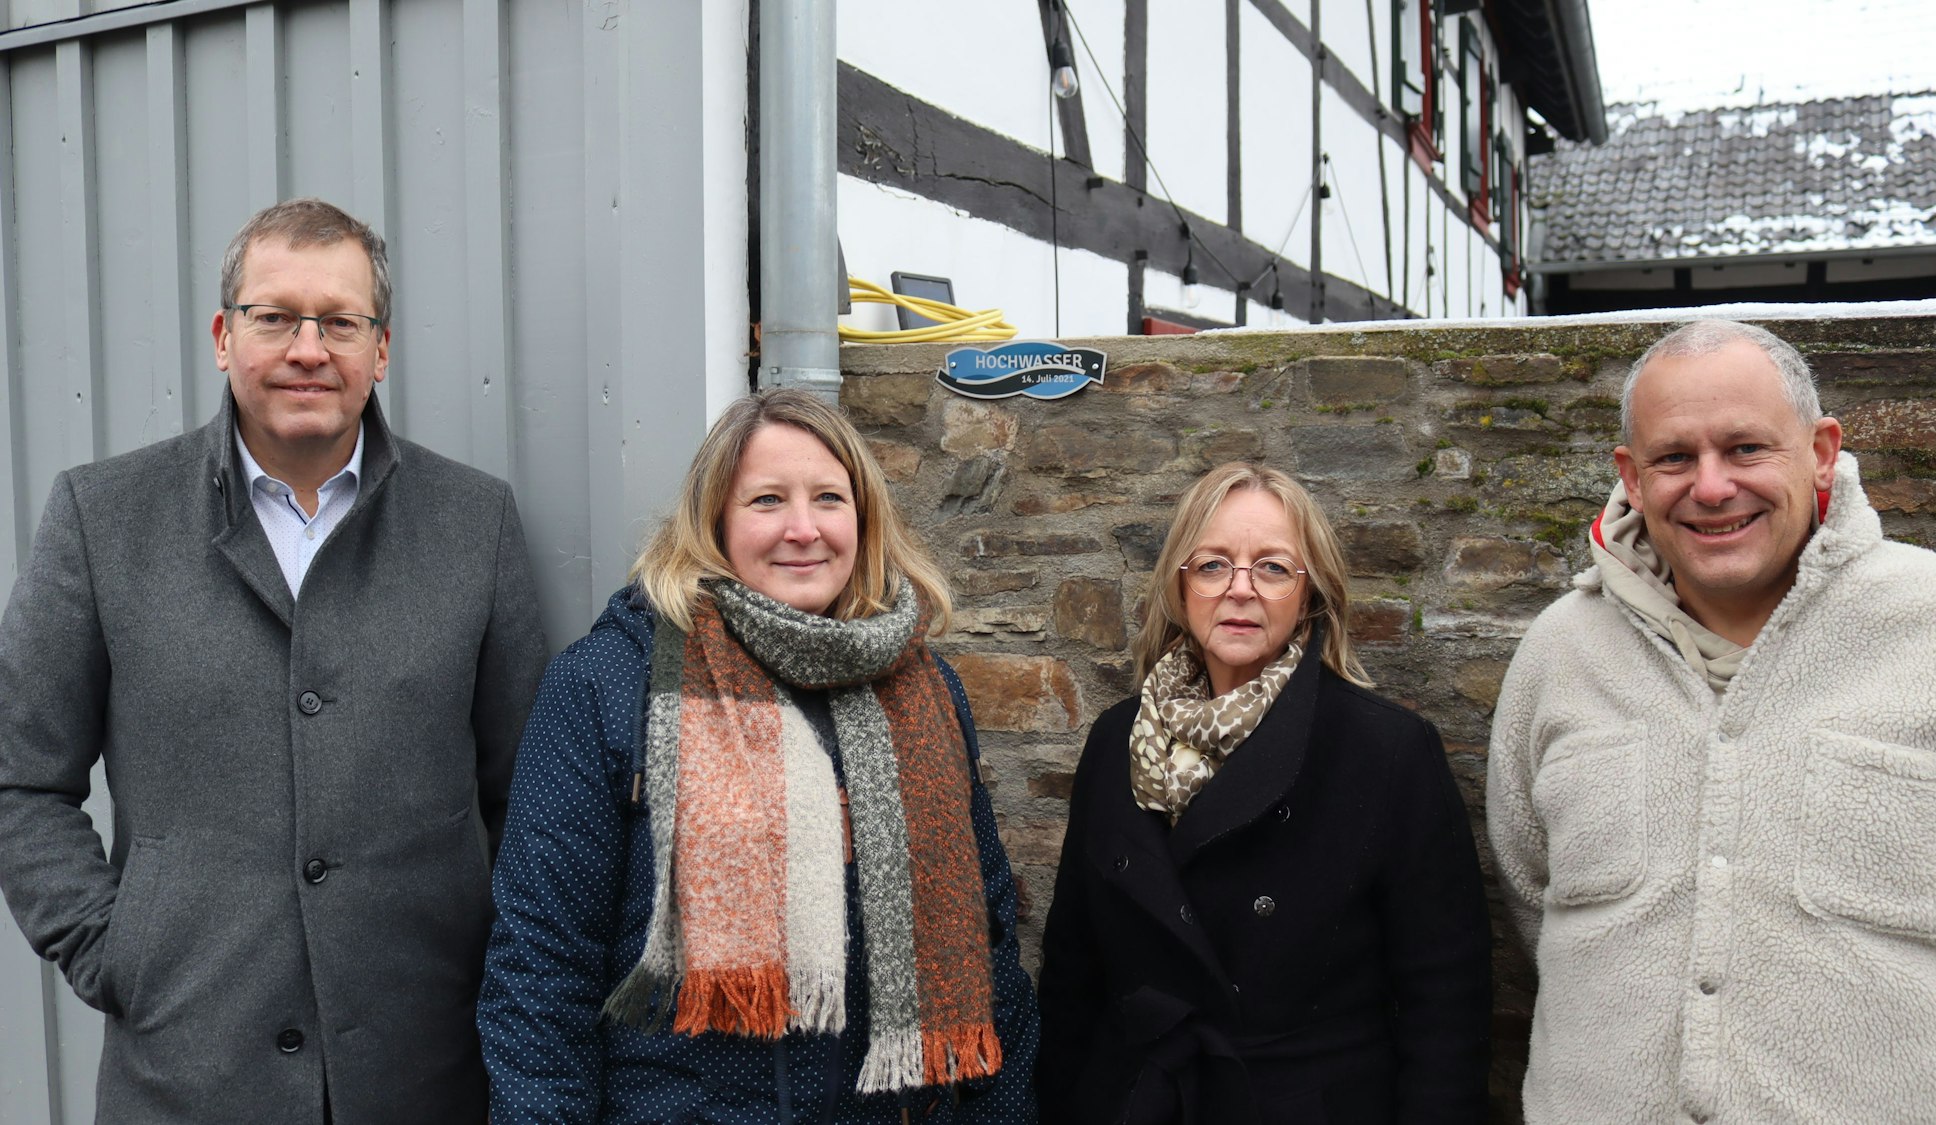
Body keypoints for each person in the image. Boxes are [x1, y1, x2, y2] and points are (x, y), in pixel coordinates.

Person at [0, 197, 547, 1122]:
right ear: (224, 336)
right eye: (274, 316)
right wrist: (114, 948)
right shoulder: (103, 518)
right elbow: (21, 780)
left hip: (423, 1073)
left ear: (381, 349)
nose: (308, 347)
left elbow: (527, 794)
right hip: (185, 1074)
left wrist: (476, 956)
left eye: (340, 321)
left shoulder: (472, 524)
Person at [478, 387, 1038, 1122]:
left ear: (864, 519)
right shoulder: (607, 684)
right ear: (714, 519)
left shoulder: (927, 690)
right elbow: (540, 969)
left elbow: (991, 943)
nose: (803, 529)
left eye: (829, 499)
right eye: (767, 500)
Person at [1490, 319, 1936, 1122]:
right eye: (1674, 457)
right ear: (1629, 471)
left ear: (1822, 449)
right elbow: (1530, 889)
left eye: (1746, 449)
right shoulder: (1560, 653)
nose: (1713, 486)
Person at [1036, 462, 1491, 1124]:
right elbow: (1073, 972)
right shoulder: (1116, 741)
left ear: (1310, 594)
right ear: (1181, 582)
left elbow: (1444, 1000)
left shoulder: (1385, 750)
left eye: (1273, 568)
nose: (1240, 590)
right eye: (1214, 564)